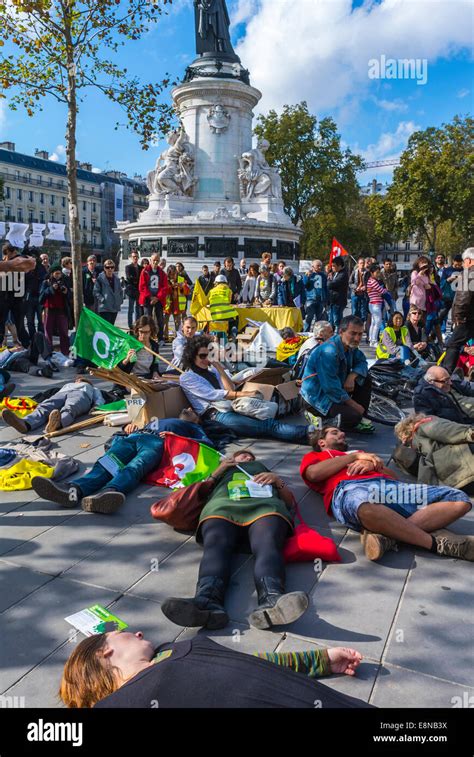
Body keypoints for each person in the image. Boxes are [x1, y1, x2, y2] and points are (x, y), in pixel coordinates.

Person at [162, 450, 309, 631]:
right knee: (216, 546)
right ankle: (207, 601)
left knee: (268, 544)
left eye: (251, 457)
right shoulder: (221, 470)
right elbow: (202, 491)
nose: (247, 458)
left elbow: (289, 501)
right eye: (242, 456)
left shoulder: (264, 471)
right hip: (223, 507)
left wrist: (278, 480)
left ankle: (272, 599)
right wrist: (219, 470)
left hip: (264, 508)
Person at [59, 631, 367, 709]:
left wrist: (322, 659)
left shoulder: (176, 649)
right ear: (105, 651)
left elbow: (256, 663)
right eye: (123, 632)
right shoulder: (118, 704)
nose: (137, 634)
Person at [300, 425, 473, 562]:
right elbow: (314, 474)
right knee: (363, 505)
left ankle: (389, 538)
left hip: (389, 488)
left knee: (459, 499)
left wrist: (374, 466)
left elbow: (393, 478)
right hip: (351, 488)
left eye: (341, 431)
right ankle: (435, 544)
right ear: (322, 442)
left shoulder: (361, 454)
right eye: (334, 432)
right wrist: (354, 458)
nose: (342, 434)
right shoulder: (316, 456)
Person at [31, 409, 213, 515]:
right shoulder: (163, 419)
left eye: (192, 411)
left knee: (135, 467)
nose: (188, 408)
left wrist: (179, 437)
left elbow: (208, 445)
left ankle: (108, 493)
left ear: (198, 419)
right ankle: (73, 490)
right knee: (107, 463)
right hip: (135, 436)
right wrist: (128, 429)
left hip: (158, 444)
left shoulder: (194, 427)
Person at [179, 335, 315, 443]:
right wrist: (245, 393)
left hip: (233, 405)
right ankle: (312, 433)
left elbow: (230, 387)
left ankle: (312, 434)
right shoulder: (187, 377)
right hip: (216, 414)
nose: (206, 359)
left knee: (269, 422)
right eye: (202, 356)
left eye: (208, 355)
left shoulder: (213, 370)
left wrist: (218, 366)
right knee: (267, 426)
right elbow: (214, 394)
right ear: (192, 357)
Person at [301, 316, 374, 433]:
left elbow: (362, 362)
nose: (357, 338)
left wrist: (352, 376)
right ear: (341, 332)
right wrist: (354, 405)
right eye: (353, 333)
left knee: (365, 379)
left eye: (360, 334)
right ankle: (320, 420)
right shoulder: (329, 352)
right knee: (354, 416)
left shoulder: (350, 345)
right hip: (318, 398)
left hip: (336, 389)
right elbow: (330, 388)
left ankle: (355, 417)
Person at [394, 413, 474, 495]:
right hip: (464, 468)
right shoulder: (423, 426)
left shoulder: (421, 430)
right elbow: (447, 431)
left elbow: (445, 431)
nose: (404, 441)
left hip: (459, 476)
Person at [2, 376, 104, 435]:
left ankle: (57, 423)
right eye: (77, 379)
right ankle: (26, 424)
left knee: (70, 407)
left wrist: (96, 406)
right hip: (62, 394)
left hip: (82, 395)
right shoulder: (68, 384)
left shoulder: (92, 388)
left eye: (81, 379)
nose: (78, 380)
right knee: (45, 406)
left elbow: (99, 398)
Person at [443, 248, 474, 375]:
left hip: (468, 318)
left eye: (463, 261)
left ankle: (445, 375)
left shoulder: (468, 274)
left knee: (453, 344)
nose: (462, 264)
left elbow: (463, 298)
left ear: (469, 260)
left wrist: (459, 317)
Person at [39, 263, 72, 355]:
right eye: (56, 273)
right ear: (52, 273)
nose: (58, 275)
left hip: (61, 310)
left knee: (64, 332)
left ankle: (65, 352)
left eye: (59, 273)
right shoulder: (46, 282)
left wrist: (66, 292)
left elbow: (70, 297)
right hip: (49, 310)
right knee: (48, 332)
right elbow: (41, 298)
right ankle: (48, 352)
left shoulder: (64, 281)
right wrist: (51, 289)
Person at [138, 253, 169, 344]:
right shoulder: (145, 271)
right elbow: (142, 286)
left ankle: (160, 338)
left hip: (158, 299)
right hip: (148, 298)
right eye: (154, 260)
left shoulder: (162, 273)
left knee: (160, 318)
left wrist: (157, 297)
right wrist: (150, 297)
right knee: (148, 318)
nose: (155, 262)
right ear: (150, 260)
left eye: (157, 260)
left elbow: (164, 287)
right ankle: (149, 337)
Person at [117, 315, 161, 380]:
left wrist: (155, 372)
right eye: (141, 331)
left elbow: (155, 363)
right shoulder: (130, 344)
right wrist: (126, 360)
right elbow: (118, 368)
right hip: (131, 379)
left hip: (147, 378)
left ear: (151, 331)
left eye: (146, 332)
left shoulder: (154, 346)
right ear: (137, 330)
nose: (143, 335)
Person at [163, 264, 190, 342]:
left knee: (177, 321)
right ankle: (165, 336)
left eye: (174, 274)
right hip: (167, 304)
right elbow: (164, 291)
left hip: (177, 304)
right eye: (171, 274)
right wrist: (170, 287)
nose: (172, 276)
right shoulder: (165, 280)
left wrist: (181, 287)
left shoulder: (181, 279)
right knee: (165, 321)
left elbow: (187, 291)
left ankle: (178, 337)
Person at [93, 259, 123, 325]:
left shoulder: (117, 279)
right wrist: (102, 299)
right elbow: (96, 291)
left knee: (112, 326)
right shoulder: (100, 279)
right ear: (104, 268)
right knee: (106, 327)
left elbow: (120, 291)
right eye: (107, 267)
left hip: (115, 307)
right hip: (104, 308)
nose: (110, 269)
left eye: (112, 267)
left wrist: (120, 300)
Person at [303, 259, 328, 331]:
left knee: (319, 320)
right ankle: (306, 334)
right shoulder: (308, 274)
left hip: (320, 299)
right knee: (309, 318)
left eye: (320, 266)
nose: (320, 267)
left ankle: (316, 334)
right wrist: (307, 277)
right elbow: (304, 285)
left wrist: (326, 300)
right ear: (312, 266)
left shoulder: (323, 275)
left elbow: (325, 287)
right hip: (311, 299)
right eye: (318, 266)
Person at [366, 265, 388, 347]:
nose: (378, 274)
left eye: (379, 272)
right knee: (378, 322)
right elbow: (381, 291)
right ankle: (374, 340)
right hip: (375, 304)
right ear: (372, 273)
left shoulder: (371, 280)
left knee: (374, 322)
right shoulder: (373, 281)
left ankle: (372, 340)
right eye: (377, 272)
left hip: (374, 303)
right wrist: (385, 290)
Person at [327, 257, 349, 332]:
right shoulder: (334, 273)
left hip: (339, 301)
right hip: (332, 300)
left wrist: (329, 280)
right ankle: (331, 336)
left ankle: (338, 336)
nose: (332, 268)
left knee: (337, 320)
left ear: (339, 266)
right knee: (331, 320)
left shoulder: (343, 274)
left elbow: (332, 284)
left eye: (334, 266)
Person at [124, 251, 142, 329]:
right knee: (131, 309)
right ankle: (130, 325)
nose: (135, 258)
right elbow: (129, 278)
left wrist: (135, 279)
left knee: (138, 309)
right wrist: (136, 280)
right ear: (131, 258)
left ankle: (137, 324)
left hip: (139, 291)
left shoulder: (141, 268)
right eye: (134, 256)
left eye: (136, 257)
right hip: (131, 291)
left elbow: (142, 279)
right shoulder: (128, 267)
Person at [349, 257, 368, 324]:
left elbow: (369, 282)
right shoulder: (354, 272)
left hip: (363, 295)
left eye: (363, 263)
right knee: (354, 311)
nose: (362, 265)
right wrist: (356, 287)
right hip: (355, 294)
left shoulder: (367, 273)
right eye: (360, 263)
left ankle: (361, 325)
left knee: (363, 312)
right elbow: (350, 283)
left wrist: (365, 287)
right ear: (358, 264)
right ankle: (354, 325)